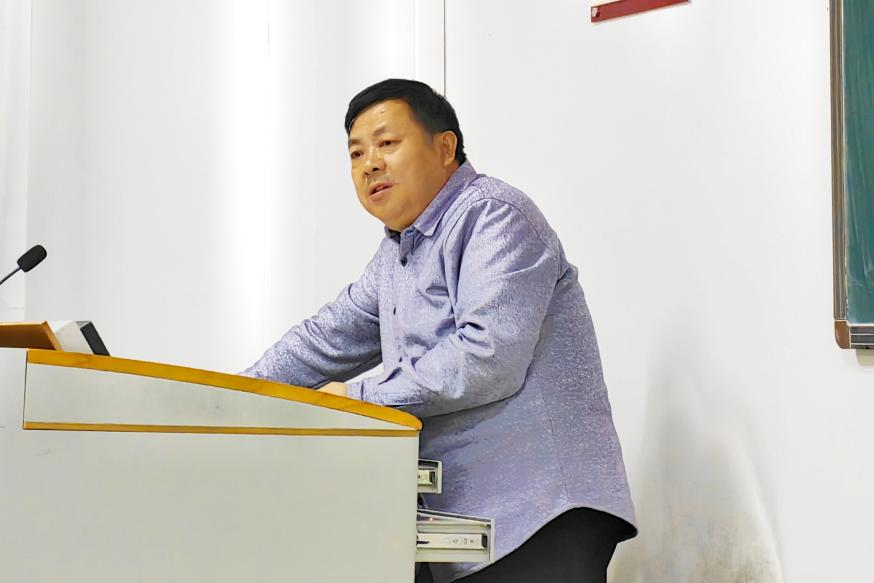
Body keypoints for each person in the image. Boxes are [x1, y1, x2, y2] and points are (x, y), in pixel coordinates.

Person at [243, 79, 637, 583]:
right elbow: (325, 340)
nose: (369, 164)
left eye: (387, 143)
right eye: (356, 153)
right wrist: (229, 399)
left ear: (445, 147)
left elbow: (488, 355)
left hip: (540, 514)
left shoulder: (494, 215)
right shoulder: (396, 254)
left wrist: (357, 399)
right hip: (463, 529)